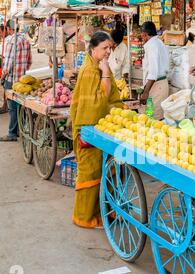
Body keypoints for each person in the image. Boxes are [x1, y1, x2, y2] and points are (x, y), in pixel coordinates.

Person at [70, 31, 124, 229]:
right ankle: (84, 217)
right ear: (93, 49)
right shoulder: (91, 71)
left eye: (110, 48)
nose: (108, 52)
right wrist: (107, 73)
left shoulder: (98, 66)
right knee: (90, 173)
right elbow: (98, 102)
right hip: (88, 128)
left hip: (100, 128)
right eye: (104, 48)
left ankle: (103, 213)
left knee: (105, 171)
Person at [0, 20, 32, 142]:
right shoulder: (26, 41)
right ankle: (20, 130)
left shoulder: (10, 41)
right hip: (22, 80)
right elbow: (29, 62)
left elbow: (8, 63)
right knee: (20, 106)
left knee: (12, 108)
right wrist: (22, 71)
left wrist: (3, 76)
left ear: (8, 29)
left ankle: (12, 133)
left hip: (11, 79)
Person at [140, 21, 169, 120]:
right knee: (150, 116)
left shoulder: (152, 45)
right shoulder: (157, 42)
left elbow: (153, 72)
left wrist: (146, 92)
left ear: (144, 34)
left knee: (153, 118)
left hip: (157, 86)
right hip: (157, 85)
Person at [0, 25, 8, 115]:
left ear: (6, 31)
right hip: (4, 65)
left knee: (6, 87)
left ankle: (5, 106)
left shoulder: (8, 40)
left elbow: (5, 56)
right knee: (5, 87)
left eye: (0, 32)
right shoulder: (4, 40)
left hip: (7, 66)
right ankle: (5, 105)